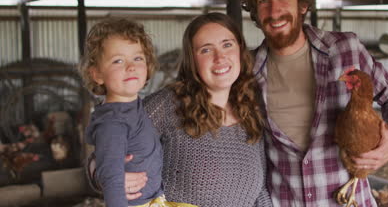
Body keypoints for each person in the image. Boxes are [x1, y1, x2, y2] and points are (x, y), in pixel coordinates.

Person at [241, 0, 388, 206]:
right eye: (263, 1)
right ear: (255, 12)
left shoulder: (345, 49)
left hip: (348, 200)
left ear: (302, 5)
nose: (274, 10)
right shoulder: (247, 71)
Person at [88, 13, 272, 207]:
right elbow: (105, 149)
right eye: (206, 50)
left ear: (240, 51)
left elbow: (259, 192)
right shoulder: (169, 105)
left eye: (227, 45)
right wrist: (104, 176)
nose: (220, 57)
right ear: (192, 60)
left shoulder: (250, 110)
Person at [79, 18, 196, 207]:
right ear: (97, 74)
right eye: (118, 60)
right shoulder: (113, 123)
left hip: (155, 200)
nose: (130, 66)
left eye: (138, 58)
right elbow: (111, 178)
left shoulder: (133, 106)